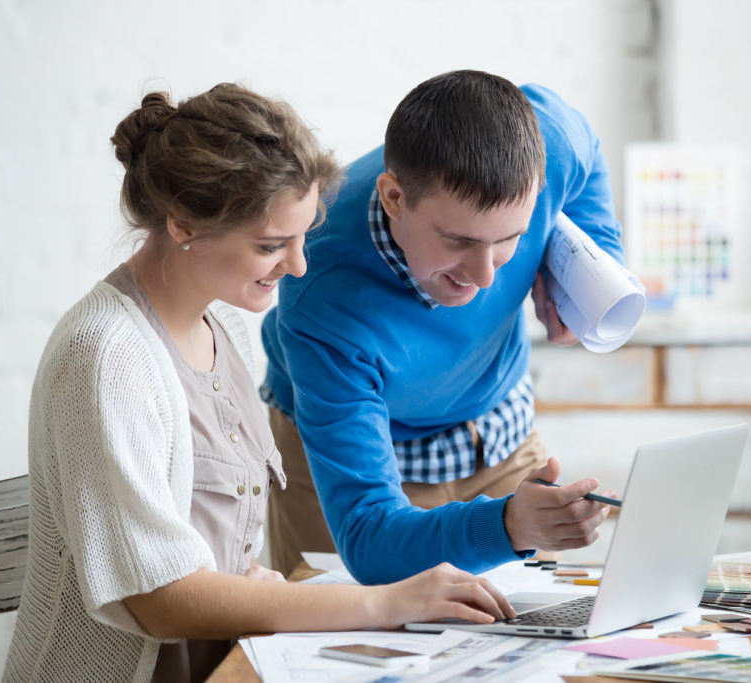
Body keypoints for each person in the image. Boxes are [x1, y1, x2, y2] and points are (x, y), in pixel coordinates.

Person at [3, 82, 514, 683]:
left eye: (303, 239)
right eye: (271, 245)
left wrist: (257, 583)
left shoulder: (225, 328)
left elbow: (211, 547)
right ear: (183, 224)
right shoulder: (106, 357)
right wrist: (384, 602)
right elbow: (160, 598)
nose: (297, 266)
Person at [261, 70, 623, 584]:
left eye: (509, 240)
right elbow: (368, 535)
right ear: (394, 200)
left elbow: (583, 142)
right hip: (352, 453)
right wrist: (508, 526)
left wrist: (591, 271)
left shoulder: (548, 145)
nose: (485, 276)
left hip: (497, 429)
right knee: (343, 647)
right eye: (459, 241)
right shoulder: (320, 295)